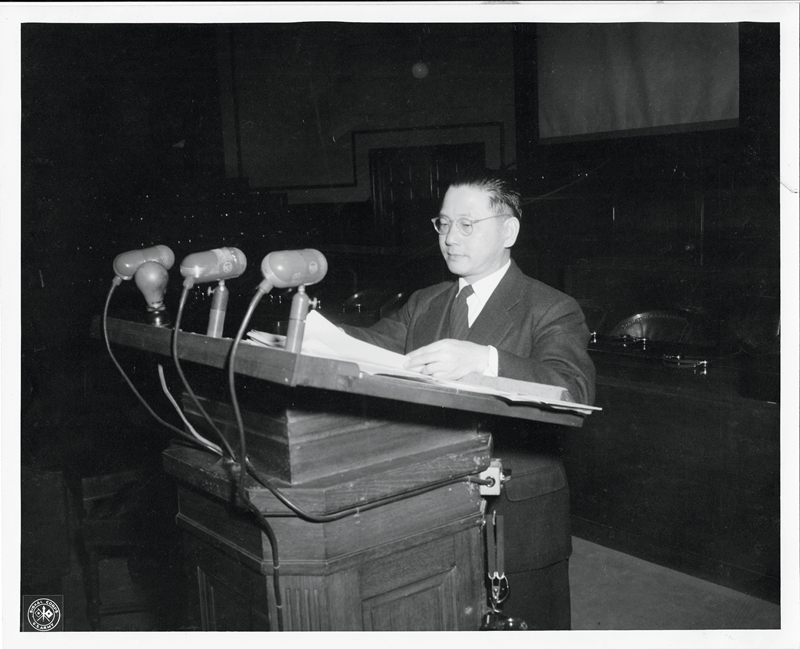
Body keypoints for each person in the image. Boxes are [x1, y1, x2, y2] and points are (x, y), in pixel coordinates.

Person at [340, 168, 595, 630]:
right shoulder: (425, 302)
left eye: (467, 224)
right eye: (443, 223)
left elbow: (572, 389)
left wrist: (487, 360)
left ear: (509, 231)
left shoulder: (551, 307)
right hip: (429, 503)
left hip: (513, 517)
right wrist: (310, 332)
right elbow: (367, 348)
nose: (450, 238)